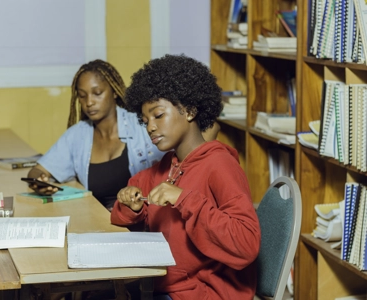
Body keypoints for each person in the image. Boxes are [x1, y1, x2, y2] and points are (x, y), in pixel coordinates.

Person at [110, 54, 261, 300]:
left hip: (202, 294)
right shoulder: (168, 165)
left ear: (189, 110)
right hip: (164, 285)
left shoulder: (220, 165)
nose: (150, 127)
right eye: (145, 120)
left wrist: (184, 199)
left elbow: (246, 245)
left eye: (158, 116)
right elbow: (126, 205)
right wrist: (131, 205)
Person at [27, 59, 221, 211]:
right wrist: (39, 182)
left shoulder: (143, 123)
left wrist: (191, 170)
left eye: (97, 93)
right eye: (82, 95)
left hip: (144, 218)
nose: (89, 102)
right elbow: (37, 171)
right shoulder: (78, 135)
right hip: (105, 219)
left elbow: (210, 128)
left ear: (113, 92)